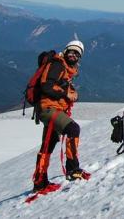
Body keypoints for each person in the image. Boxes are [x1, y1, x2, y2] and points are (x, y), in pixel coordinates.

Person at [32, 40, 90, 192]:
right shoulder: (57, 65)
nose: (73, 55)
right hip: (49, 109)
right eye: (71, 51)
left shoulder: (65, 69)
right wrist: (66, 93)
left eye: (77, 54)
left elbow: (61, 88)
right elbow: (47, 86)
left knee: (47, 145)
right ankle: (72, 169)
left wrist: (71, 94)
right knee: (73, 129)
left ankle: (40, 181)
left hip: (52, 109)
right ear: (65, 51)